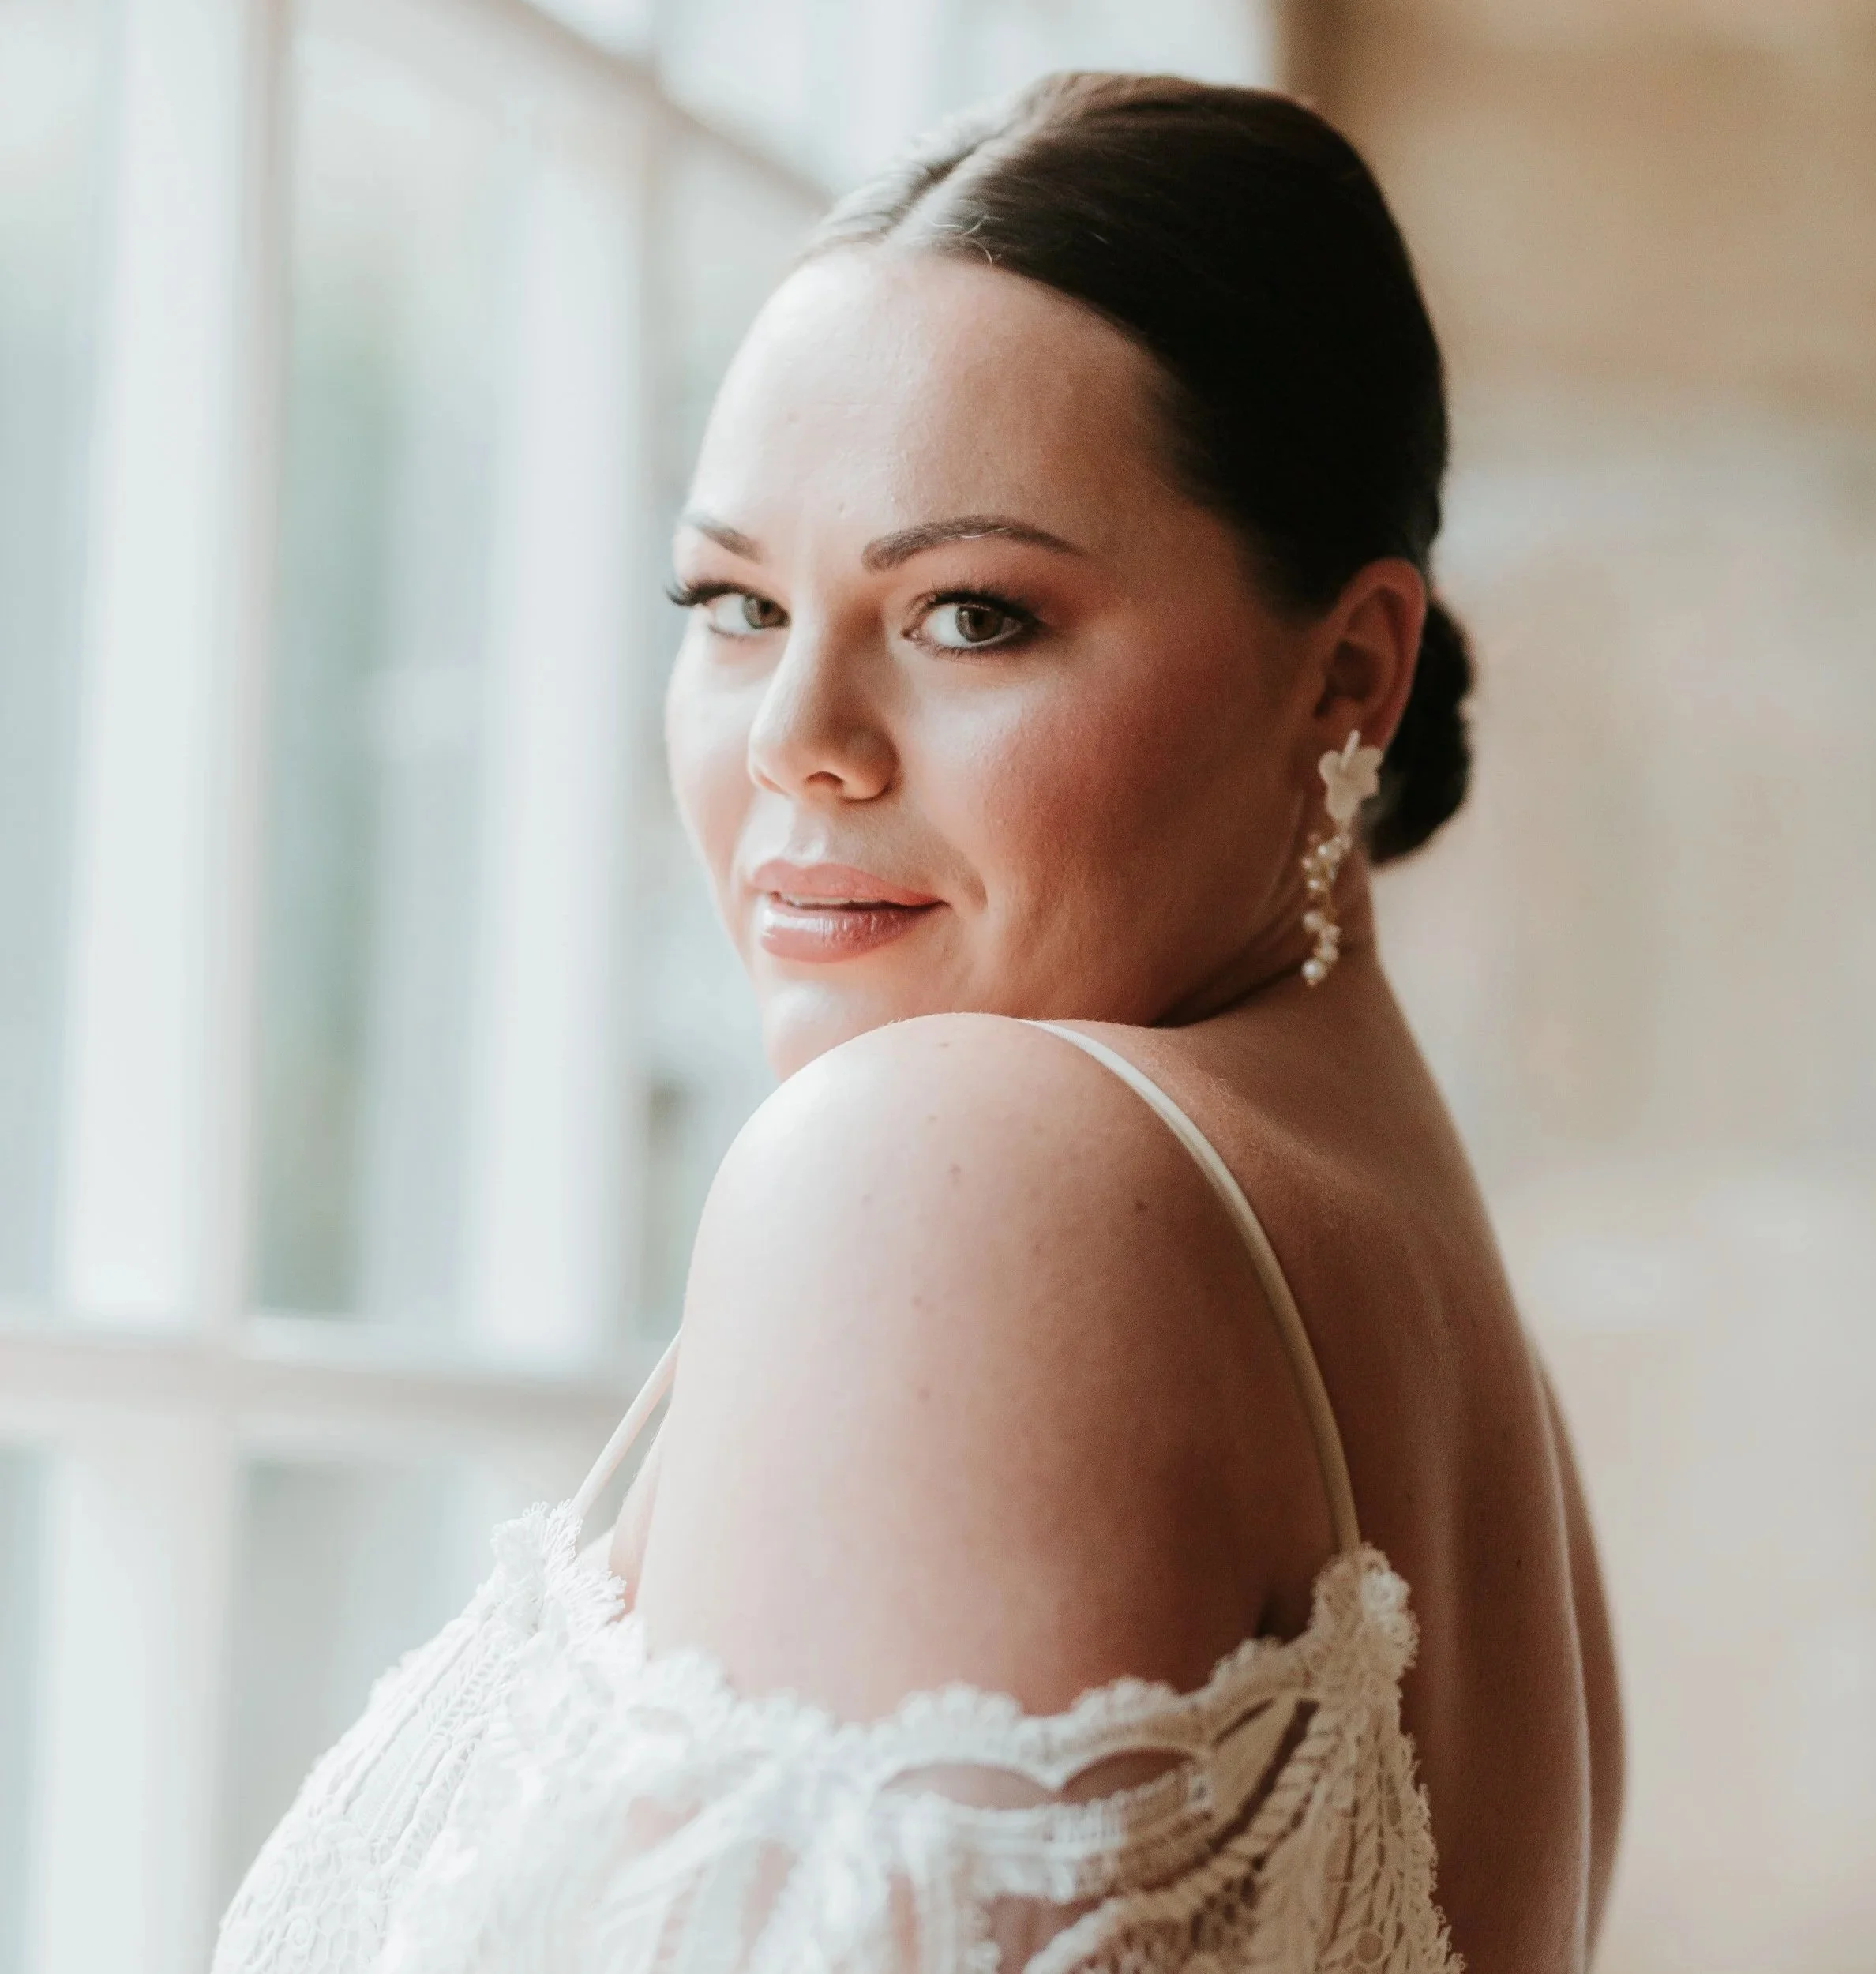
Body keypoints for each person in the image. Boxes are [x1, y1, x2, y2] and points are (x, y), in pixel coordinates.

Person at [216, 72, 1620, 1974]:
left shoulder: (967, 1171)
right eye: (728, 600)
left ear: (1348, 670)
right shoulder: (1446, 1334)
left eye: (968, 614)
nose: (797, 732)